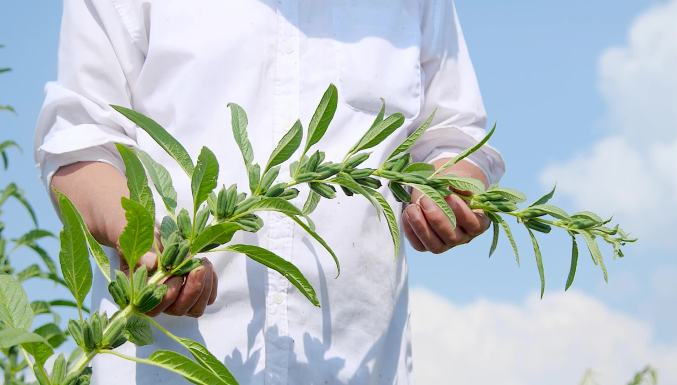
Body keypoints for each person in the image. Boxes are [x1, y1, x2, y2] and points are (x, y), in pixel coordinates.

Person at [34, 1, 505, 384]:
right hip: (171, 362)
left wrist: (450, 187)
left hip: (357, 363)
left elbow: (451, 133)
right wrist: (138, 239)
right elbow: (80, 139)